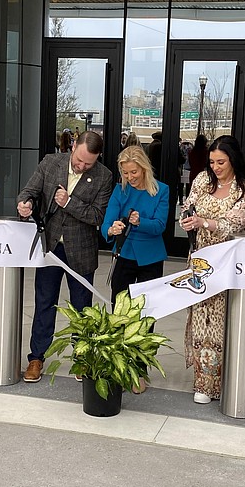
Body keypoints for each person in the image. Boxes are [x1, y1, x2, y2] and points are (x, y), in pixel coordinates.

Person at [16, 130, 112, 383]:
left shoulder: (104, 176)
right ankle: (36, 357)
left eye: (88, 163)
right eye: (79, 160)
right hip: (50, 247)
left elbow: (98, 217)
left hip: (81, 250)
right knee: (44, 302)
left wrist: (69, 203)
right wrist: (24, 203)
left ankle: (82, 359)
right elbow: (30, 191)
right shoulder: (51, 162)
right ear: (73, 147)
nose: (82, 166)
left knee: (82, 308)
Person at [180, 135, 245, 404]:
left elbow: (237, 222)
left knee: (225, 322)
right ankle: (204, 382)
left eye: (221, 162)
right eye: (212, 161)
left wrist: (205, 222)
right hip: (200, 258)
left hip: (227, 261)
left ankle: (227, 380)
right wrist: (188, 219)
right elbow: (188, 205)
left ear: (233, 159)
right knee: (201, 320)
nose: (216, 166)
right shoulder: (202, 180)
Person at [102, 146, 168, 392]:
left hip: (150, 258)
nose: (130, 177)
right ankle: (119, 366)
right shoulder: (120, 191)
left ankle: (140, 370)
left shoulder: (161, 190)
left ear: (144, 168)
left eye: (134, 171)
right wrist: (110, 230)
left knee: (146, 316)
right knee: (119, 312)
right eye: (126, 172)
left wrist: (141, 222)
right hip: (125, 255)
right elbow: (107, 221)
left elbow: (160, 225)